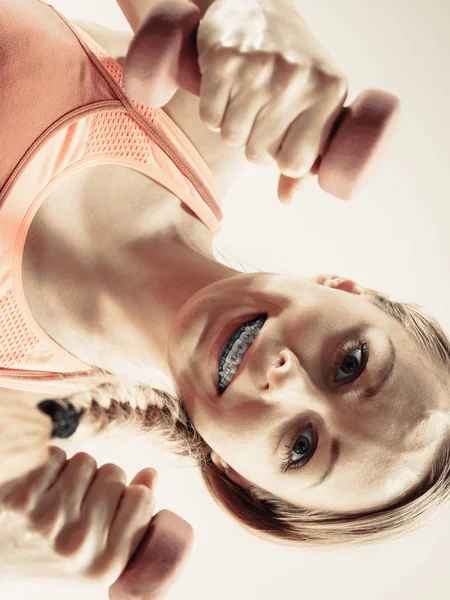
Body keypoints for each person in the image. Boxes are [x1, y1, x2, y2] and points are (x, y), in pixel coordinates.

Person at [1, 0, 450, 560]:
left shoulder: (13, 410)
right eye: (349, 363)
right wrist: (244, 8)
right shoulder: (199, 110)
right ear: (344, 290)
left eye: (302, 446)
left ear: (235, 472)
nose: (288, 381)